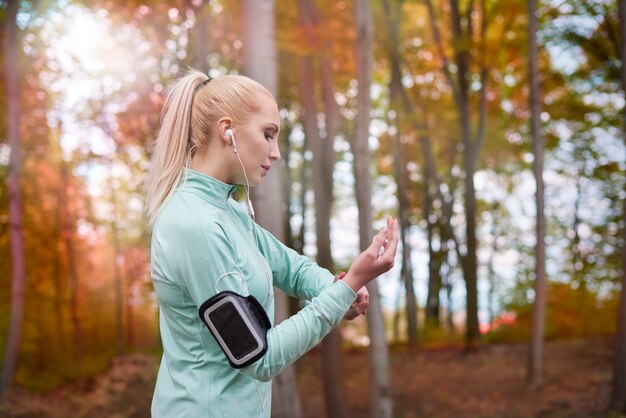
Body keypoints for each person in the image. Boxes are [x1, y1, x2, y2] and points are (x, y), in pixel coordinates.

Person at [144, 68, 399, 418]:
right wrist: (349, 284)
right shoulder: (194, 224)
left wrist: (337, 289)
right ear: (227, 131)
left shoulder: (226, 211)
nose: (276, 152)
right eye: (268, 134)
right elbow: (256, 357)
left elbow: (290, 267)